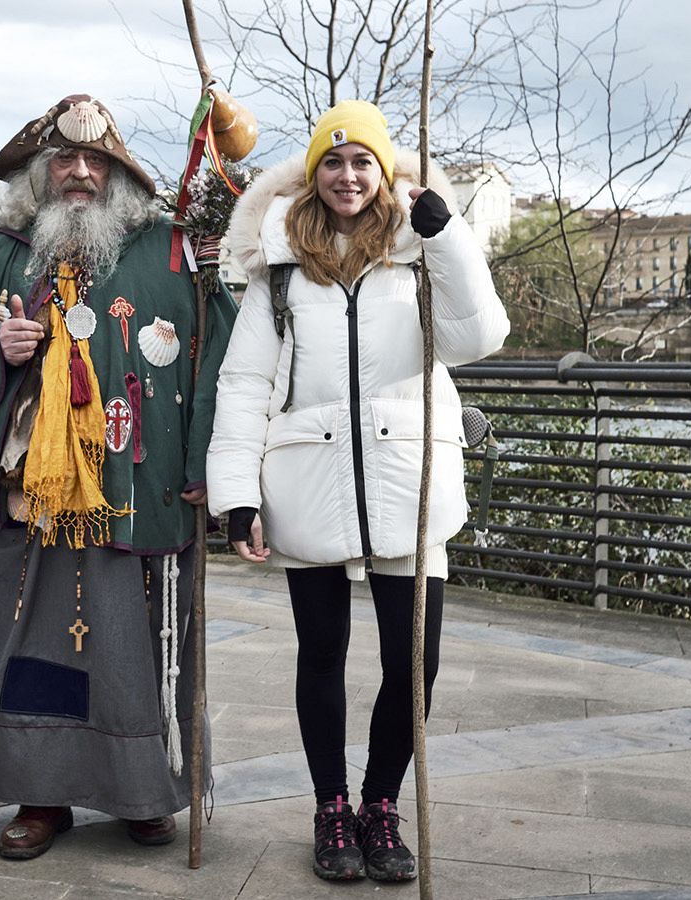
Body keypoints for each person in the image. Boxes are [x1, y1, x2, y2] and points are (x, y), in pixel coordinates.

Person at [0, 94, 237, 861]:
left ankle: (142, 791)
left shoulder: (177, 252)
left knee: (138, 645)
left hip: (140, 494)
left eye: (94, 159)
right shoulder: (4, 254)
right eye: (62, 159)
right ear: (41, 172)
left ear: (119, 173)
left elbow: (226, 356)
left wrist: (208, 464)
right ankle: (41, 797)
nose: (77, 171)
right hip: (34, 499)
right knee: (35, 644)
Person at [206, 100, 509, 884]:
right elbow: (242, 385)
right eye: (333, 162)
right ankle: (331, 806)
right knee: (323, 656)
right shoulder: (278, 268)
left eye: (362, 162)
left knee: (416, 666)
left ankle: (382, 802)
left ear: (385, 173)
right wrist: (237, 493)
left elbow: (478, 338)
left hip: (410, 484)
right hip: (309, 480)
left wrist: (447, 236)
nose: (347, 176)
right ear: (314, 174)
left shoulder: (420, 255)